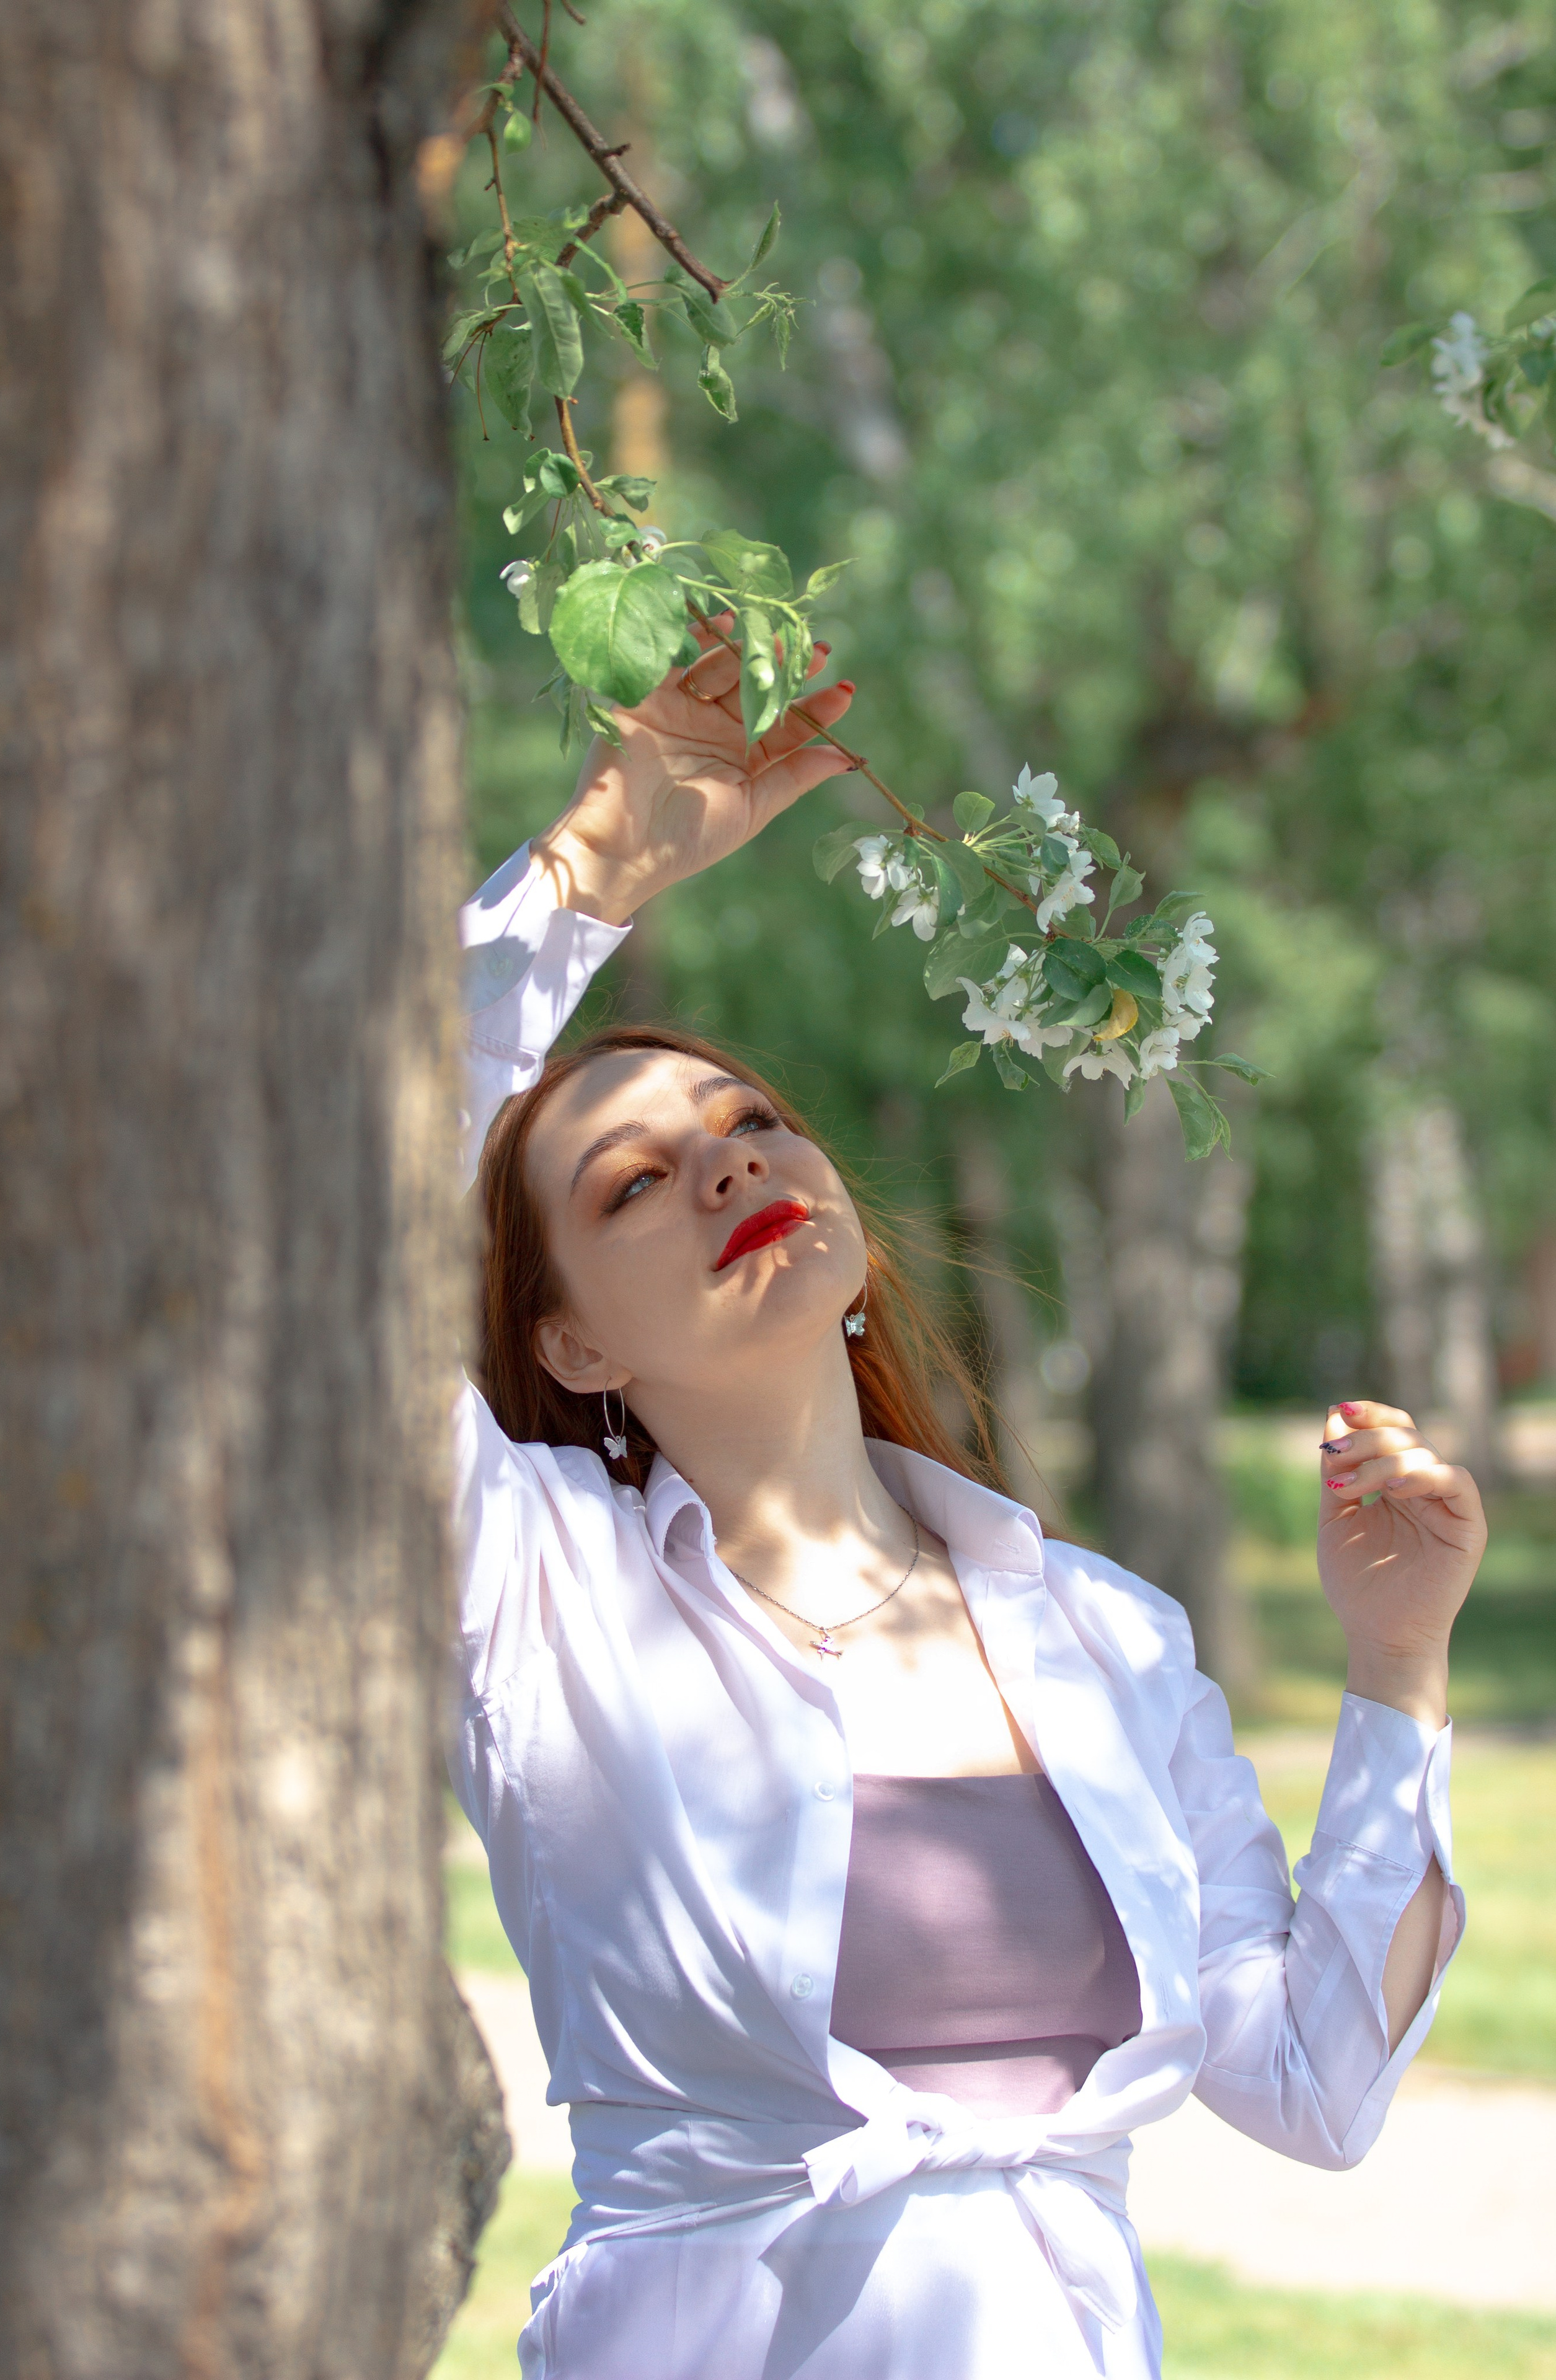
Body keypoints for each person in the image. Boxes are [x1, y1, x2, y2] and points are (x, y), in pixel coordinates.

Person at [446, 626, 1485, 2379]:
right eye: (636, 1185)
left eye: (753, 1120)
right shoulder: (528, 1581)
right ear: (570, 1342)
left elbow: (1314, 2086)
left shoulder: (1096, 1631)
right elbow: (332, 1195)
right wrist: (592, 871)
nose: (730, 1162)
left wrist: (1396, 1672)